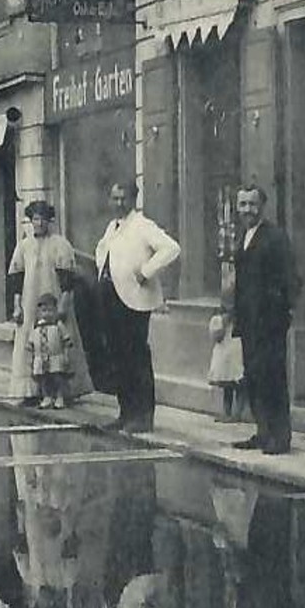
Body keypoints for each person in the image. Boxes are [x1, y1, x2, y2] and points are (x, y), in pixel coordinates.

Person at [94, 181, 181, 432]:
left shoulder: (143, 225)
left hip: (135, 300)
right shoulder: (113, 227)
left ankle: (143, 417)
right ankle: (126, 412)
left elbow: (171, 248)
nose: (118, 203)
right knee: (118, 357)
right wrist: (105, 272)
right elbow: (103, 250)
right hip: (113, 297)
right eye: (114, 198)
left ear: (133, 199)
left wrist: (146, 271)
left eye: (123, 198)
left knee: (136, 357)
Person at [231, 184, 297, 454]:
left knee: (273, 377)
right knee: (254, 376)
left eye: (252, 204)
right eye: (243, 204)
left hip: (269, 322)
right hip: (249, 322)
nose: (247, 210)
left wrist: (279, 312)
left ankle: (280, 437)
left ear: (262, 207)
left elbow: (290, 279)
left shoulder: (275, 238)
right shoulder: (244, 236)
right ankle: (263, 430)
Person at [8, 200, 94, 408]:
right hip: (30, 303)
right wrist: (17, 305)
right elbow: (16, 279)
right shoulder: (24, 246)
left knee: (58, 343)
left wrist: (64, 304)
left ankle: (64, 391)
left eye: (43, 219)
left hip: (53, 298)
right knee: (30, 341)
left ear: (49, 221)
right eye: (35, 219)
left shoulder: (60, 244)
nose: (38, 223)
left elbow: (67, 280)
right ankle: (31, 390)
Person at [27, 293, 75, 410]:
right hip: (40, 358)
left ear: (55, 311)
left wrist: (66, 355)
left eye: (50, 310)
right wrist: (31, 358)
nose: (47, 314)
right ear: (39, 313)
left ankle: (59, 397)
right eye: (44, 311)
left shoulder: (58, 326)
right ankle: (46, 397)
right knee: (43, 379)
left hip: (55, 357)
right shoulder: (36, 328)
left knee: (57, 377)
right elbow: (31, 344)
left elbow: (66, 341)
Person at [208, 309, 249, 423]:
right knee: (227, 383)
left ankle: (237, 413)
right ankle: (227, 411)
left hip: (237, 348)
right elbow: (217, 335)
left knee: (239, 382)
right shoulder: (222, 317)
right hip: (226, 350)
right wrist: (222, 322)